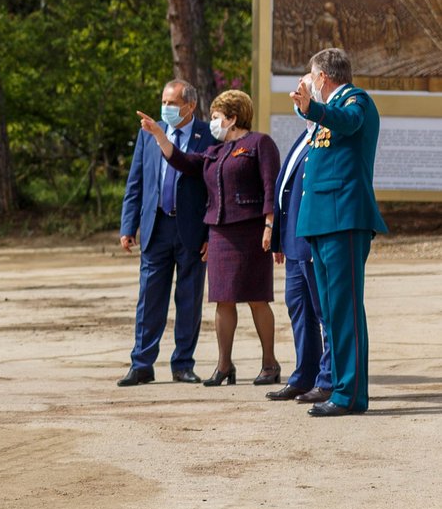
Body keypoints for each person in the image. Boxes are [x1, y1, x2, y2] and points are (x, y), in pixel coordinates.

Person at [140, 90, 282, 387]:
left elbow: (271, 186)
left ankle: (269, 363)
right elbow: (184, 161)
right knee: (223, 300)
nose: (213, 123)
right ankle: (224, 365)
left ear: (232, 118)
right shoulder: (215, 152)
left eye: (217, 117)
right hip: (219, 232)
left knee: (257, 298)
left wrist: (271, 225)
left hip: (251, 232)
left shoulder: (259, 143)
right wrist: (158, 135)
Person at [291, 48, 386, 418]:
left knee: (344, 310)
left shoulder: (355, 100)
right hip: (322, 221)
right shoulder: (324, 113)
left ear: (323, 77)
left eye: (311, 76)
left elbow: (348, 122)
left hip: (344, 218)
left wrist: (312, 109)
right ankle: (340, 387)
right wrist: (309, 111)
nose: (309, 83)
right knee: (331, 312)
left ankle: (350, 395)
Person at [117, 80, 213, 386]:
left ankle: (183, 363)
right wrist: (128, 226)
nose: (166, 108)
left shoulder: (208, 135)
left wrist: (212, 234)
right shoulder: (149, 133)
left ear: (190, 106)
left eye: (172, 103)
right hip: (156, 226)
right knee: (149, 298)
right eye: (164, 102)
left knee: (189, 298)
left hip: (191, 229)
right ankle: (142, 363)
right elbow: (136, 182)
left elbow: (215, 188)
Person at [267, 115, 332, 403]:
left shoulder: (326, 135)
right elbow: (286, 193)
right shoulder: (305, 135)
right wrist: (280, 237)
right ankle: (303, 377)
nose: (297, 96)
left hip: (312, 239)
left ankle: (328, 379)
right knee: (300, 312)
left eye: (304, 89)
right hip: (293, 241)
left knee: (324, 313)